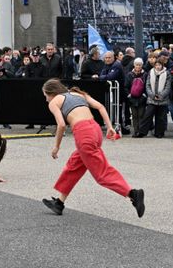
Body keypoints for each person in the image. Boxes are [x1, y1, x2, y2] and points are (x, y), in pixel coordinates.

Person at [40, 79, 144, 218]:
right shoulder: (77, 93)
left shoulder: (54, 102)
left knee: (101, 173)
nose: (46, 100)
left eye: (45, 96)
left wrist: (56, 147)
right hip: (94, 130)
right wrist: (109, 127)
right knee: (74, 166)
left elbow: (61, 125)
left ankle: (132, 194)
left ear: (50, 93)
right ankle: (59, 203)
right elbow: (100, 106)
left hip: (83, 133)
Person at [138, 58, 171, 138]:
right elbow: (147, 85)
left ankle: (159, 133)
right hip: (152, 99)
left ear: (162, 65)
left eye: (159, 65)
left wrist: (161, 95)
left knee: (161, 117)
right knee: (147, 116)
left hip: (162, 99)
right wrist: (152, 95)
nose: (157, 67)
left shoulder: (167, 73)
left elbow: (167, 87)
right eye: (156, 65)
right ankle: (142, 132)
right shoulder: (151, 72)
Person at [125, 58, 147, 138]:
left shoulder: (145, 74)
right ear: (134, 65)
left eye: (140, 65)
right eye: (137, 64)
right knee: (134, 115)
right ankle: (136, 131)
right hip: (132, 98)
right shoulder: (129, 75)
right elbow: (126, 86)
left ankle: (140, 131)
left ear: (142, 65)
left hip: (142, 98)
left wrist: (144, 95)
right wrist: (129, 95)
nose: (138, 66)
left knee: (141, 115)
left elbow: (147, 86)